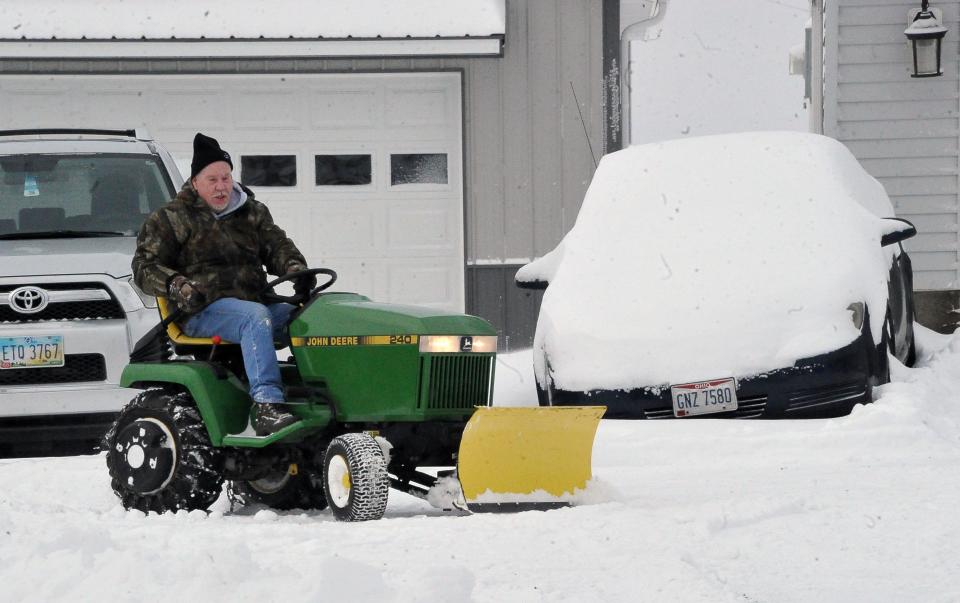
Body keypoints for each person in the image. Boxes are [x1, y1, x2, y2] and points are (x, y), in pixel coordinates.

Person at [132, 133, 316, 436]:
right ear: (195, 182)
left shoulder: (251, 212)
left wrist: (295, 268)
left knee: (313, 317)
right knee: (254, 319)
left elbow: (277, 246)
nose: (221, 186)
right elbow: (144, 267)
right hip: (202, 310)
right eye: (212, 179)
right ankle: (267, 405)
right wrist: (177, 284)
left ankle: (321, 393)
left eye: (226, 177)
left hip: (257, 301)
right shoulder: (171, 218)